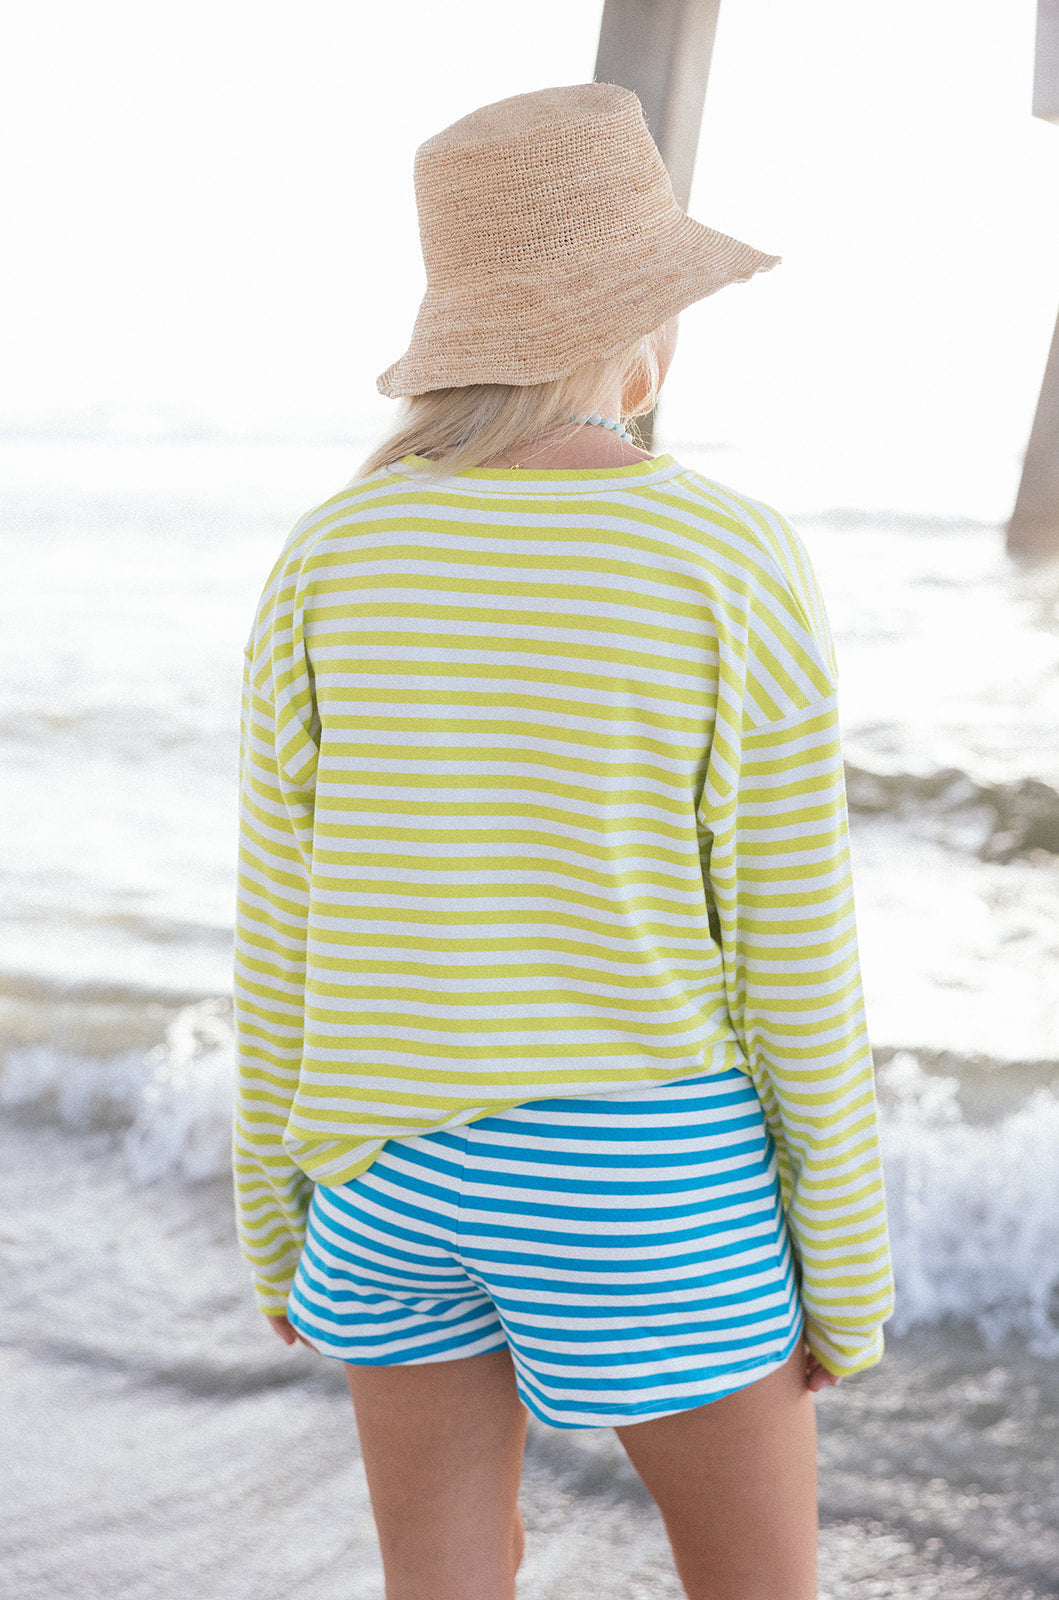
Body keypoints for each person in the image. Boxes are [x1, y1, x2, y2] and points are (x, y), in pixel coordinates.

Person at [232, 82, 894, 1600]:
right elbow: (794, 949)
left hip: (385, 1185)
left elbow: (282, 927)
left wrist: (282, 1227)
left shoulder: (330, 554)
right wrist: (843, 1273)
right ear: (645, 322)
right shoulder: (727, 553)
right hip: (640, 1180)